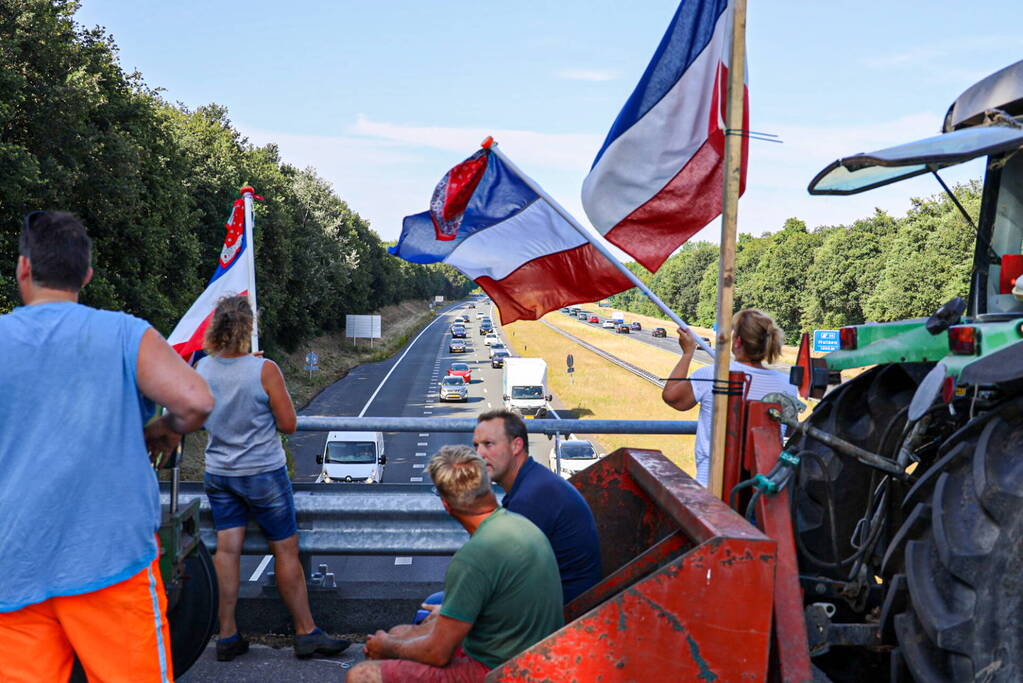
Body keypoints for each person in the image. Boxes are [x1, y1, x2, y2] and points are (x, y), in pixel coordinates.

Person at [0, 211, 214, 682]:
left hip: (13, 563)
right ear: (86, 276)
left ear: (23, 269)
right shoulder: (124, 333)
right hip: (110, 559)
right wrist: (167, 428)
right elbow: (197, 402)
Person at [195, 295, 348, 661]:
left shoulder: (202, 370)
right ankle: (305, 631)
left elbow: (199, 416)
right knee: (285, 550)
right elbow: (289, 424)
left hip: (220, 473)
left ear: (216, 327)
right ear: (248, 328)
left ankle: (228, 635)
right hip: (262, 472)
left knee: (227, 551)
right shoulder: (264, 370)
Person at [349, 446, 564, 682]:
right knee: (399, 633)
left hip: (502, 671)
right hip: (532, 658)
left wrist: (386, 647)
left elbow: (437, 654)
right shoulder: (522, 525)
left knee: (361, 675)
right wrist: (393, 640)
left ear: (446, 504)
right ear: (486, 487)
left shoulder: (474, 556)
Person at [473, 410, 603, 603]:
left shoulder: (531, 499)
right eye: (476, 445)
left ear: (516, 445)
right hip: (553, 599)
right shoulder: (534, 481)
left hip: (562, 611)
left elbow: (505, 580)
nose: (479, 454)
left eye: (489, 444)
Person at [662, 309, 797, 487]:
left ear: (738, 341)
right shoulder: (787, 384)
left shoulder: (713, 374)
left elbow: (671, 397)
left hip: (710, 482)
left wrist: (688, 353)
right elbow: (789, 430)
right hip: (762, 489)